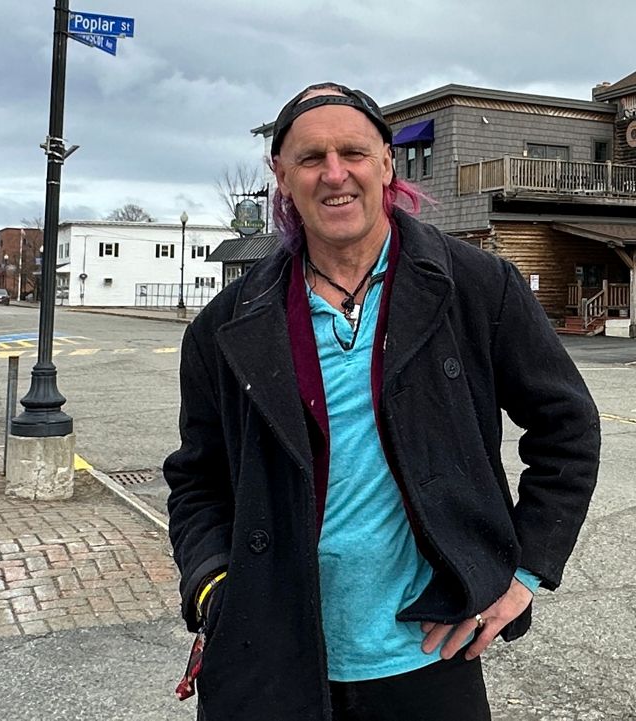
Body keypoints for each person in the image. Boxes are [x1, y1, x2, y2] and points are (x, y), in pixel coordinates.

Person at [163, 82, 601, 721]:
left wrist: (525, 572)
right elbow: (196, 479)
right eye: (311, 158)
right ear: (280, 176)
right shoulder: (227, 325)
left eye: (354, 153)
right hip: (269, 655)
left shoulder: (477, 287)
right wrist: (215, 587)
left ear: (388, 163)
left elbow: (568, 429)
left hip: (425, 655)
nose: (334, 174)